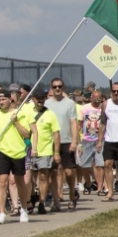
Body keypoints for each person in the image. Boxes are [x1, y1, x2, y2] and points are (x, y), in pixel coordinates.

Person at [0, 88, 28, 224]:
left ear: (10, 100)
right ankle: (1, 213)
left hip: (18, 151)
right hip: (1, 151)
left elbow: (26, 134)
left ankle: (24, 209)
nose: (1, 102)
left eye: (4, 99)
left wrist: (15, 122)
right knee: (1, 182)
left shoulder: (18, 114)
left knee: (19, 182)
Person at [44, 77, 80, 210]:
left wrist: (74, 140)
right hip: (51, 141)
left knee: (69, 172)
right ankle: (56, 201)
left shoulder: (69, 103)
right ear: (51, 88)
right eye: (55, 87)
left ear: (63, 88)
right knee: (53, 173)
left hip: (66, 140)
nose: (57, 89)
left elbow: (73, 122)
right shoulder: (47, 103)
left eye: (59, 86)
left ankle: (71, 193)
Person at [28, 89, 60, 213]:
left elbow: (56, 134)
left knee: (43, 176)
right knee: (30, 178)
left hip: (45, 150)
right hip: (29, 150)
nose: (40, 100)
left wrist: (56, 152)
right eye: (37, 98)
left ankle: (41, 202)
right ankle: (31, 198)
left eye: (42, 98)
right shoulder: (27, 113)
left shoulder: (50, 114)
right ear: (33, 99)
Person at [77, 88, 105, 195]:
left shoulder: (103, 108)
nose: (97, 100)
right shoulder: (84, 108)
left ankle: (100, 187)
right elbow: (79, 125)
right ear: (90, 98)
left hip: (100, 140)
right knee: (84, 165)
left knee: (100, 164)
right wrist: (78, 142)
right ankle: (88, 183)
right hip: (86, 139)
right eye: (94, 98)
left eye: (99, 98)